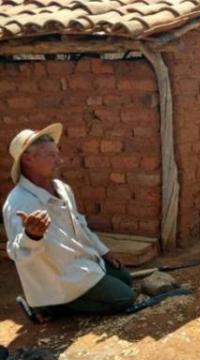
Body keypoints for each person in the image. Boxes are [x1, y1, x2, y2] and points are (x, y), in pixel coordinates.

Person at [3, 124, 135, 322]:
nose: (59, 161)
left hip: (80, 265)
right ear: (28, 159)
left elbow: (80, 224)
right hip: (57, 278)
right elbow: (17, 253)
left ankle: (59, 302)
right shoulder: (19, 202)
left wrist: (103, 251)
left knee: (125, 279)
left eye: (57, 154)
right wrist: (32, 236)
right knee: (125, 298)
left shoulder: (61, 188)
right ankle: (49, 306)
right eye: (51, 156)